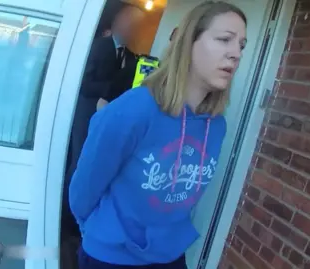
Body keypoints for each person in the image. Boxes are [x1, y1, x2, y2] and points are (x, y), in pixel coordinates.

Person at [69, 1, 247, 269]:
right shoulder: (133, 110)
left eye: (241, 45)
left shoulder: (216, 126)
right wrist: (99, 234)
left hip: (170, 256)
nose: (235, 53)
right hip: (111, 257)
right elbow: (83, 191)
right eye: (225, 40)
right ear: (189, 42)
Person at [63, 2, 144, 241]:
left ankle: (83, 217)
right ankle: (65, 218)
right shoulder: (97, 46)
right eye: (130, 22)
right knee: (78, 162)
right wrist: (107, 94)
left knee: (96, 165)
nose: (133, 28)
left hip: (110, 121)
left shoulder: (132, 58)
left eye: (137, 25)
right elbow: (82, 82)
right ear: (117, 22)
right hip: (86, 115)